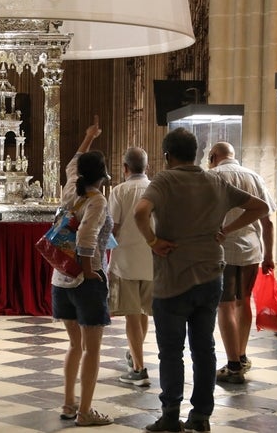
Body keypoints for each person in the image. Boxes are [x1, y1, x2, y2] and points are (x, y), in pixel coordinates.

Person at [134, 128, 269, 433]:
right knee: (204, 348)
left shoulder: (165, 180)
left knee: (171, 351)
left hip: (173, 277)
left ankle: (170, 415)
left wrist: (153, 241)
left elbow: (141, 212)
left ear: (167, 155)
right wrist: (227, 229)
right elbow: (260, 207)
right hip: (210, 275)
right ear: (196, 154)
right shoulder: (216, 180)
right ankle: (201, 416)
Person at [53, 118, 114, 427]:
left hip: (60, 278)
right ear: (102, 176)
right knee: (92, 349)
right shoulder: (97, 199)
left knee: (75, 346)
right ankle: (85, 412)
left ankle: (67, 403)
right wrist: (91, 272)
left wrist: (88, 137)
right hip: (84, 282)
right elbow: (87, 238)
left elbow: (72, 165)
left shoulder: (70, 191)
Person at [208, 142, 276, 384]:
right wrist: (269, 256)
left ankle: (234, 363)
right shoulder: (254, 177)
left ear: (214, 156)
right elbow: (267, 222)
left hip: (221, 249)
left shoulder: (211, 176)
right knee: (244, 301)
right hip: (250, 248)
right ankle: (242, 354)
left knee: (225, 305)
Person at [107, 147, 153, 387]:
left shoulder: (120, 191)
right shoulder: (157, 188)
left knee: (132, 316)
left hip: (126, 261)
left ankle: (138, 369)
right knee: (143, 312)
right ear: (147, 167)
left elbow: (112, 226)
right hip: (153, 260)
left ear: (125, 168)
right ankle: (136, 355)